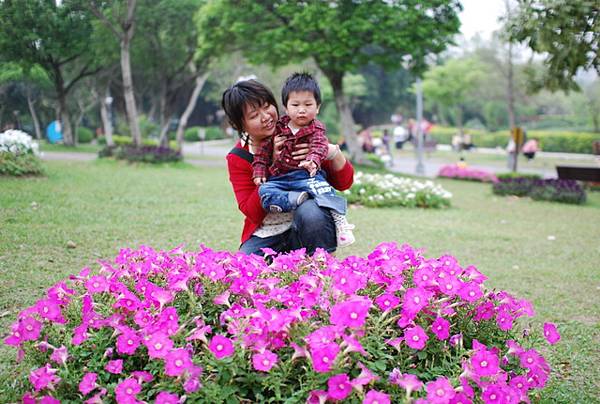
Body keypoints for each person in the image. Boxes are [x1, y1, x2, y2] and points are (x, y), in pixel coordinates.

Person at [221, 78, 355, 256]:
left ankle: (322, 262)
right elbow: (251, 212)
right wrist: (273, 164)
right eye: (254, 115)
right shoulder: (238, 157)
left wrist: (331, 152)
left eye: (267, 106)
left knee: (310, 211)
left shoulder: (301, 131)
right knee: (245, 265)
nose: (266, 117)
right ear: (239, 125)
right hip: (268, 231)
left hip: (307, 225)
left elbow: (344, 183)